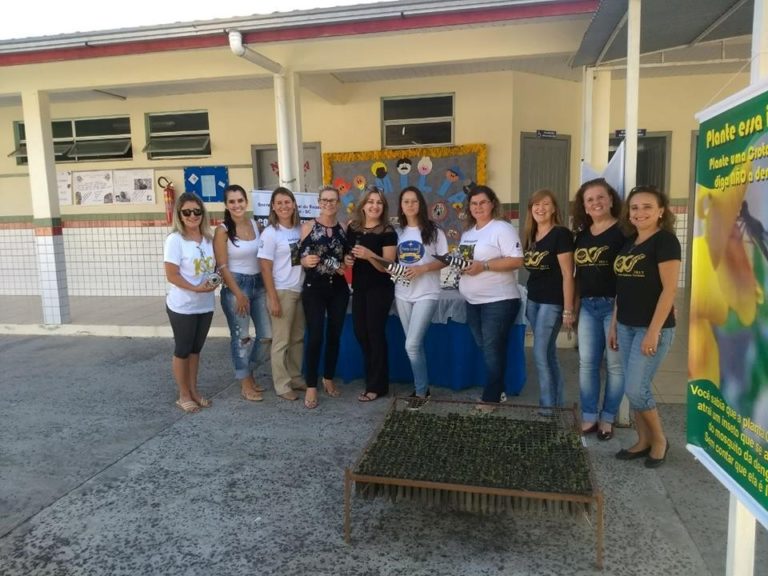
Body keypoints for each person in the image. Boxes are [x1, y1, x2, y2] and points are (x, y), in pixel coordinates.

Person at [609, 185, 680, 468]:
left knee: (637, 389)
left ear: (661, 211)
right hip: (625, 325)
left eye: (647, 207)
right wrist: (614, 325)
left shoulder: (665, 242)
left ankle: (660, 440)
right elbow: (621, 289)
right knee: (632, 387)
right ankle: (642, 440)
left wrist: (652, 331)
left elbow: (669, 290)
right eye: (635, 207)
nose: (640, 212)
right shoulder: (630, 242)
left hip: (651, 329)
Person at [458, 185, 524, 407]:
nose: (478, 207)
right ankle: (499, 389)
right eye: (474, 203)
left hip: (499, 301)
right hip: (473, 301)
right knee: (487, 347)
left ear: (492, 203)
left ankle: (492, 398)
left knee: (492, 350)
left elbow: (516, 260)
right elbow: (469, 263)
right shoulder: (468, 233)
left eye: (483, 202)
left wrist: (484, 266)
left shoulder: (501, 228)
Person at [572, 178, 625, 439]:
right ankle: (590, 415)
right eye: (590, 199)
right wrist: (573, 307)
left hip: (615, 306)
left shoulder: (624, 233)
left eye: (600, 197)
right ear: (584, 205)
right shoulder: (581, 236)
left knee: (614, 366)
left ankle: (608, 418)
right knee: (587, 364)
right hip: (588, 308)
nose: (596, 203)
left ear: (611, 199)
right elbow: (578, 275)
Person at [213, 184, 271, 402]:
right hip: (236, 285)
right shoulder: (222, 230)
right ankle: (245, 382)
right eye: (232, 201)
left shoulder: (256, 225)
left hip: (259, 284)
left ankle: (247, 371)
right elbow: (222, 266)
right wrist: (238, 293)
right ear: (226, 205)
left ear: (246, 202)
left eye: (240, 200)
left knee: (266, 336)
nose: (237, 205)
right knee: (241, 338)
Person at [163, 192, 218, 413]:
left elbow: (213, 268)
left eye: (197, 211)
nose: (193, 215)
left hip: (204, 304)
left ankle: (194, 390)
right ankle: (183, 394)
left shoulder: (208, 239)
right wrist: (196, 288)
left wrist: (215, 281)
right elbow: (172, 275)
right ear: (180, 214)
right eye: (187, 212)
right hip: (183, 305)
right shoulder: (175, 240)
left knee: (196, 350)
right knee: (183, 349)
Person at [394, 186, 448, 408]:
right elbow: (392, 261)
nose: (410, 205)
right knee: (413, 344)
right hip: (402, 293)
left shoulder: (434, 231)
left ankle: (421, 392)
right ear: (401, 205)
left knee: (412, 345)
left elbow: (445, 259)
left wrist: (422, 269)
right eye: (405, 201)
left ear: (421, 204)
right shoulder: (397, 232)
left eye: (414, 201)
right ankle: (422, 387)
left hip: (427, 292)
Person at [344, 185, 398, 402]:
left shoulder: (388, 231)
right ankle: (372, 378)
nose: (374, 206)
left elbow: (388, 266)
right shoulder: (353, 228)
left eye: (379, 202)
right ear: (363, 205)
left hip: (381, 289)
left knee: (375, 334)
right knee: (361, 333)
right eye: (371, 201)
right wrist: (348, 260)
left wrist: (369, 255)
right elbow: (348, 255)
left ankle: (377, 385)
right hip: (359, 288)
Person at [523, 189, 575, 410]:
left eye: (545, 204)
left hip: (552, 303)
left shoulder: (561, 234)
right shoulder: (530, 235)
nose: (540, 208)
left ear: (554, 208)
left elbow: (567, 274)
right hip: (533, 300)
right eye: (536, 204)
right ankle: (557, 402)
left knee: (539, 352)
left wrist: (568, 309)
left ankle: (546, 408)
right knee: (548, 352)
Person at [299, 185, 350, 409]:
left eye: (333, 200)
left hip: (338, 288)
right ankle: (311, 385)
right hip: (314, 288)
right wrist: (303, 261)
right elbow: (299, 255)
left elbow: (347, 256)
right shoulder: (308, 226)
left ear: (338, 204)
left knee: (335, 335)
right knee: (316, 335)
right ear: (319, 202)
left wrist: (347, 262)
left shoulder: (344, 227)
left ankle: (328, 377)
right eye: (325, 200)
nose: (329, 204)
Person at [258, 187, 306, 403]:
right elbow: (265, 267)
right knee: (281, 341)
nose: (284, 206)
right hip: (282, 291)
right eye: (279, 203)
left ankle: (295, 377)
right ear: (273, 207)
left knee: (297, 338)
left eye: (287, 202)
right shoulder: (271, 233)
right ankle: (282, 384)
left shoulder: (300, 229)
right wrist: (273, 297)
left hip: (300, 289)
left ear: (294, 204)